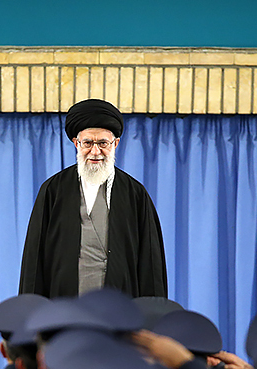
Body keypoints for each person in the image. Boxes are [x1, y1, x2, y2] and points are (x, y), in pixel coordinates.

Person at [19, 98, 168, 299]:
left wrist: (152, 313)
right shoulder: (53, 190)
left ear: (115, 144)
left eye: (103, 143)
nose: (95, 151)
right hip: (64, 306)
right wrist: (32, 311)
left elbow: (151, 263)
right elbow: (35, 259)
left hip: (119, 307)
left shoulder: (135, 194)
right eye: (88, 143)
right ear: (76, 143)